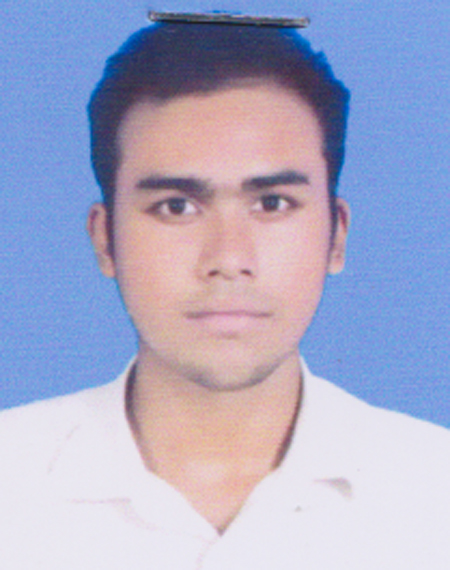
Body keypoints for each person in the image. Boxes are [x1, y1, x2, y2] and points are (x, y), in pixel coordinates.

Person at [0, 22, 448, 569]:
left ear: (337, 235)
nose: (229, 258)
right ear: (104, 239)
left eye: (273, 204)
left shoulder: (433, 494)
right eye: (176, 207)